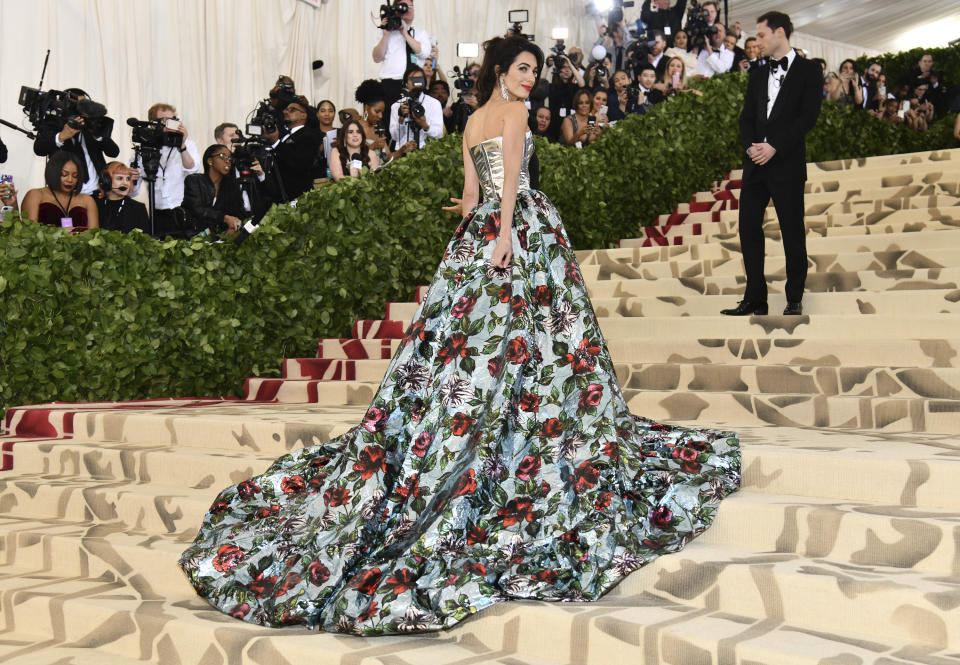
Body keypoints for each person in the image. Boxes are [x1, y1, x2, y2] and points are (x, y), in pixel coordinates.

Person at [180, 33, 740, 636]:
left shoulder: (472, 121)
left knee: (478, 349)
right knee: (539, 342)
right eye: (524, 69)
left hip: (478, 238)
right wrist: (503, 233)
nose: (532, 80)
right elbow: (501, 194)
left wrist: (473, 218)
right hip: (515, 231)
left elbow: (471, 192)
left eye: (536, 71)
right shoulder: (515, 113)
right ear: (502, 70)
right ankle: (533, 427)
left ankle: (500, 425)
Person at [722, 11, 823, 317]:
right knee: (748, 229)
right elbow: (746, 118)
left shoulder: (809, 70)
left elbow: (808, 117)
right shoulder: (757, 73)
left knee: (791, 230)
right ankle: (756, 298)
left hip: (787, 164)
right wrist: (752, 147)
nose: (757, 41)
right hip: (755, 165)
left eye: (762, 34)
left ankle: (794, 297)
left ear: (780, 32)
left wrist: (775, 146)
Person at [131, 103, 201, 238]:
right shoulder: (145, 148)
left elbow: (192, 169)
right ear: (153, 123)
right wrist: (131, 178)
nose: (170, 124)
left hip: (181, 210)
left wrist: (181, 145)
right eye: (164, 120)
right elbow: (133, 192)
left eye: (173, 120)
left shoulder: (188, 144)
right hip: (155, 211)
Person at [33, 88, 120, 196]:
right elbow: (39, 149)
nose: (79, 110)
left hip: (98, 193)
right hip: (67, 194)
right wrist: (61, 137)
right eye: (76, 106)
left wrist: (98, 135)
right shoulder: (53, 124)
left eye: (84, 105)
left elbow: (114, 152)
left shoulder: (93, 126)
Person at [372, 0, 431, 129]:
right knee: (391, 122)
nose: (408, 10)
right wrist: (386, 35)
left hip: (415, 83)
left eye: (410, 7)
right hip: (391, 84)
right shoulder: (387, 33)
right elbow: (377, 57)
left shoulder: (420, 33)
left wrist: (405, 33)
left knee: (416, 119)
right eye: (403, 7)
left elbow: (423, 53)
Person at [21, 150, 99, 228]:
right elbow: (29, 231)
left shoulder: (87, 200)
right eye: (64, 174)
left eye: (75, 176)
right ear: (53, 172)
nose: (70, 180)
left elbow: (94, 234)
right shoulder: (35, 195)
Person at [182, 145, 245, 236]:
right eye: (222, 156)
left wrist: (234, 226)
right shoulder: (194, 180)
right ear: (210, 161)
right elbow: (197, 209)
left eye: (230, 158)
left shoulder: (231, 186)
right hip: (192, 235)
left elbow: (237, 212)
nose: (227, 161)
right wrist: (224, 218)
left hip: (217, 238)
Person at [270, 100, 322, 201]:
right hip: (279, 192)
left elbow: (299, 163)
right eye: (286, 109)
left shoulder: (308, 135)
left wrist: (276, 142)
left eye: (292, 110)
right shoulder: (283, 134)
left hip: (296, 194)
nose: (286, 112)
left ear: (304, 115)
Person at [389, 65, 444, 157]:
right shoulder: (396, 106)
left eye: (419, 79)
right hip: (403, 153)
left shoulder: (434, 104)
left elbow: (439, 134)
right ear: (406, 83)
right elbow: (395, 136)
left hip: (428, 153)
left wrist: (425, 125)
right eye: (412, 79)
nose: (416, 83)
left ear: (424, 82)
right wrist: (401, 118)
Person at [96, 162, 149, 233]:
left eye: (128, 179)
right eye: (120, 178)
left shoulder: (139, 208)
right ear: (107, 181)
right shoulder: (95, 205)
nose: (125, 183)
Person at [355, 79, 394, 165]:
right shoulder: (355, 128)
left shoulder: (378, 128)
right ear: (366, 108)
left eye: (382, 112)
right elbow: (353, 158)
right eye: (377, 111)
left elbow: (388, 158)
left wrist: (402, 150)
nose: (381, 116)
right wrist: (373, 146)